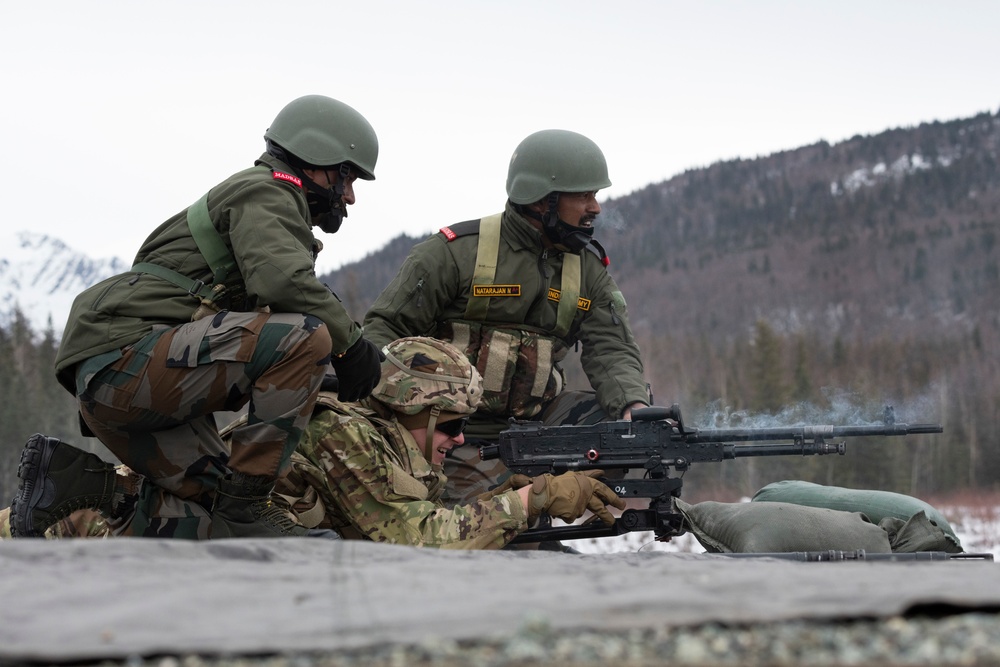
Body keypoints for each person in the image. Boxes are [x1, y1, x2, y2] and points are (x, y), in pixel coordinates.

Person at [11, 95, 385, 540]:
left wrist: (314, 379)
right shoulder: (266, 190)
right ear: (314, 156)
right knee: (309, 336)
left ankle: (80, 483)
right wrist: (350, 345)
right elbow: (285, 286)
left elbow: (252, 337)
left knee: (215, 514)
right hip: (125, 363)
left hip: (124, 380)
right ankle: (248, 507)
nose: (349, 196)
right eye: (347, 176)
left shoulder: (264, 208)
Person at [7, 337, 625, 548]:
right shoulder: (345, 434)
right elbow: (413, 539)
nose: (458, 442)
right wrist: (531, 502)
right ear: (413, 409)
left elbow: (418, 515)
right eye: (451, 425)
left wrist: (509, 499)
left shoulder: (380, 443)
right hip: (115, 531)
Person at [362, 129, 651, 503]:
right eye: (583, 195)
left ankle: (552, 501)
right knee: (474, 524)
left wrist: (633, 406)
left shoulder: (588, 273)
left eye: (594, 195)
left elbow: (612, 349)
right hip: (450, 431)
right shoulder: (454, 255)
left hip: (538, 429)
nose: (595, 207)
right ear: (543, 199)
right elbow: (384, 331)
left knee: (615, 428)